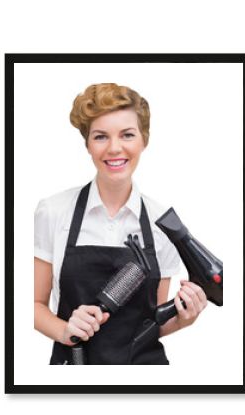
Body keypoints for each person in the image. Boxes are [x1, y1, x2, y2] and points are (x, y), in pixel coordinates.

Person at [34, 83, 207, 365]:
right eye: (100, 136)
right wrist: (65, 331)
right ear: (87, 144)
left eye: (127, 135)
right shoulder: (53, 211)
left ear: (143, 140)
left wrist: (185, 318)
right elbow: (33, 305)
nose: (115, 148)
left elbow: (154, 324)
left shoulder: (163, 223)